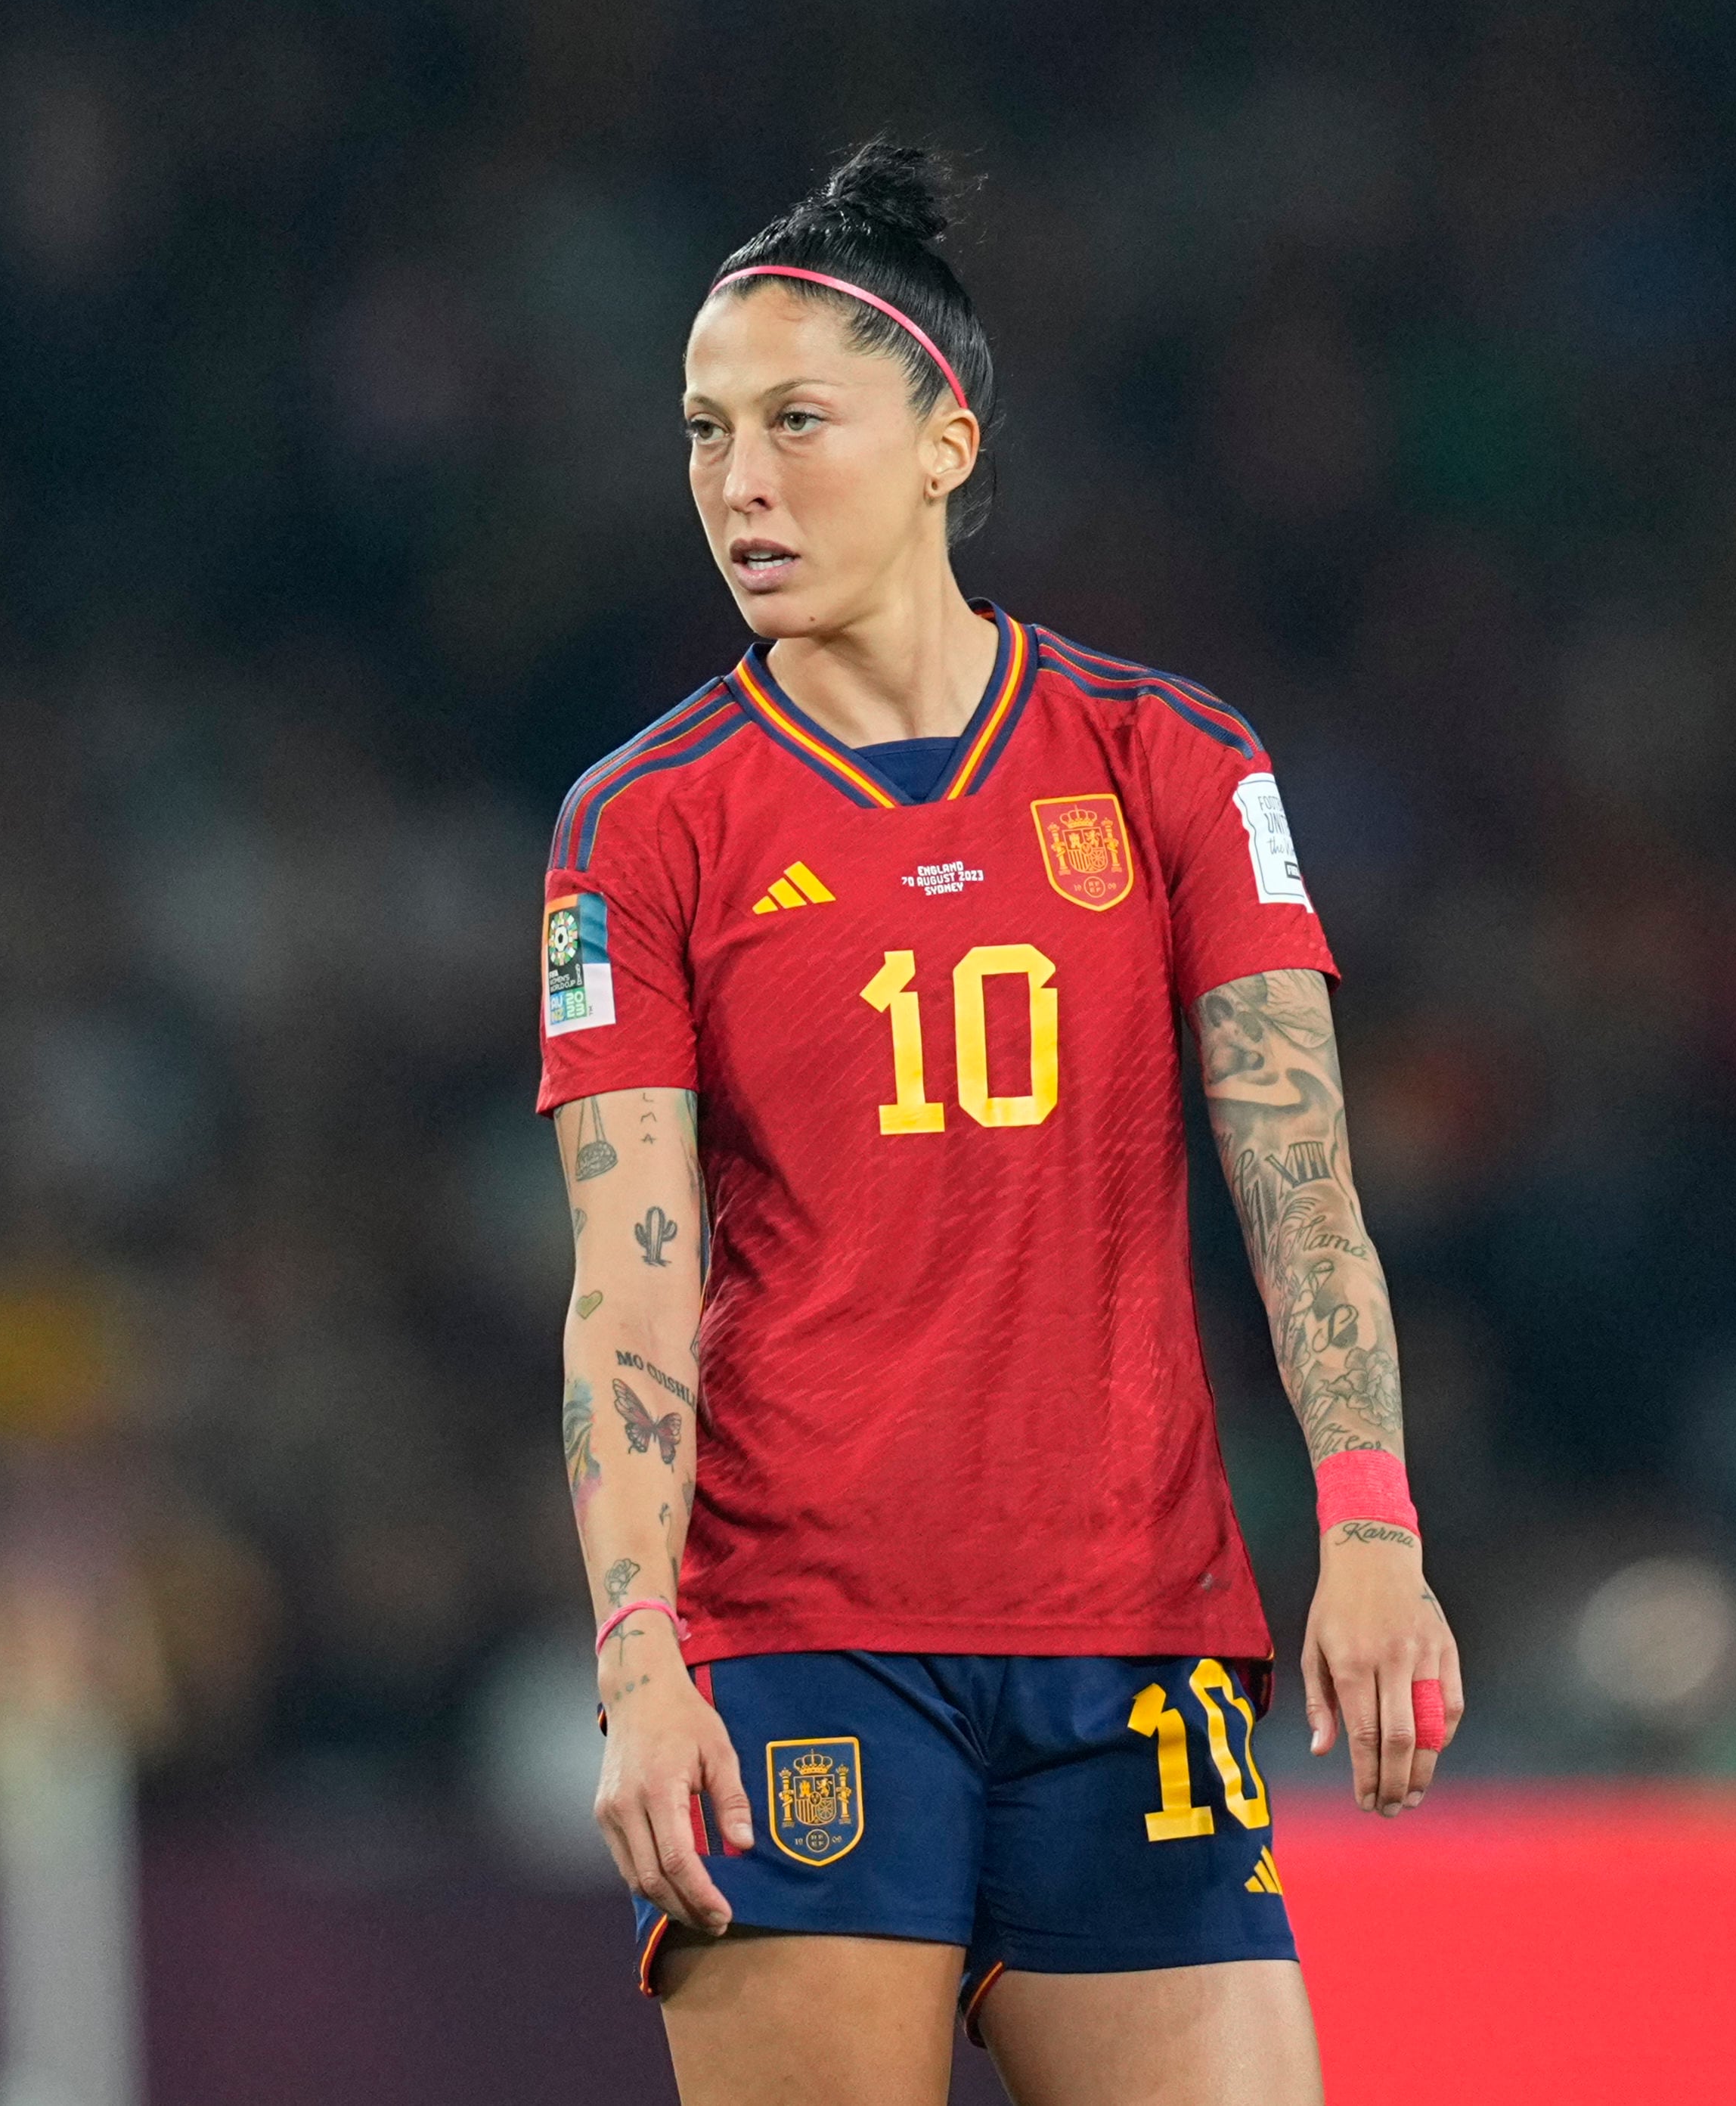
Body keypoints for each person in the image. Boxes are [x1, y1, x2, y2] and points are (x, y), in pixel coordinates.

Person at [538, 141, 1459, 2106]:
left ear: (946, 438)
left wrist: (1368, 1525)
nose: (740, 483)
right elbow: (627, 1278)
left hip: (1136, 1635)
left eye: (798, 422)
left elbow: (1300, 1185)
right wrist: (633, 1666)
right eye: (704, 432)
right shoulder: (645, 822)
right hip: (802, 1639)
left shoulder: (1171, 763)